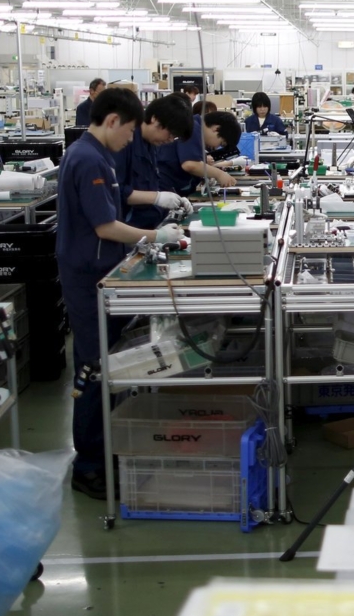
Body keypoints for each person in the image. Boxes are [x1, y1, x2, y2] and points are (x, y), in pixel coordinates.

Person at [57, 88, 186, 499]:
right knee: (94, 369)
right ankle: (89, 465)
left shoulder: (97, 157)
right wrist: (155, 235)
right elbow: (106, 226)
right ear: (112, 121)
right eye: (129, 131)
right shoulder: (89, 160)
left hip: (101, 270)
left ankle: (106, 450)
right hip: (86, 274)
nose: (131, 140)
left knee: (106, 364)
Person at [114, 95, 196, 231]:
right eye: (170, 134)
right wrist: (156, 198)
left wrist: (175, 199)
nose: (170, 140)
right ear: (154, 119)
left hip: (147, 225)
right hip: (127, 228)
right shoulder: (124, 143)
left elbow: (152, 182)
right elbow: (116, 191)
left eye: (174, 137)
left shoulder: (152, 144)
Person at [156, 110, 241, 197]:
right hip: (162, 188)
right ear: (216, 129)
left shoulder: (196, 129)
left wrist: (204, 174)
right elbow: (190, 164)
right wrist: (219, 174)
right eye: (221, 143)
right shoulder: (193, 128)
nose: (216, 147)